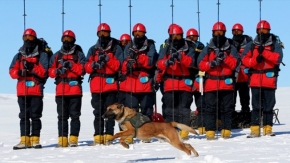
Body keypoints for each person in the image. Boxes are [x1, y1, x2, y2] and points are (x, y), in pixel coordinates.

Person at [197, 22, 239, 140]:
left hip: (226, 84)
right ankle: (210, 131)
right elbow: (200, 64)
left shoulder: (231, 49)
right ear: (212, 33)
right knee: (210, 109)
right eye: (216, 32)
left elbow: (235, 64)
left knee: (227, 108)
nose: (218, 35)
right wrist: (211, 63)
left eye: (220, 32)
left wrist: (225, 58)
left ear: (225, 33)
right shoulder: (208, 49)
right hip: (211, 84)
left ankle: (226, 130)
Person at [242, 20, 283, 138]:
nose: (262, 33)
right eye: (260, 30)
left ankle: (267, 128)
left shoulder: (275, 44)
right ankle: (254, 129)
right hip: (255, 80)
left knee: (269, 105)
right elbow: (245, 60)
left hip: (269, 80)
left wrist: (264, 53)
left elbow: (278, 58)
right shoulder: (251, 45)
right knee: (256, 105)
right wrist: (256, 60)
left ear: (269, 31)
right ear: (256, 31)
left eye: (264, 30)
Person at [9, 28, 49, 149]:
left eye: (30, 38)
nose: (27, 40)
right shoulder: (19, 55)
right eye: (25, 38)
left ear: (35, 39)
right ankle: (24, 140)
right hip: (22, 91)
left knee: (35, 116)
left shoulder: (42, 55)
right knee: (23, 116)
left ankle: (35, 139)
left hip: (36, 90)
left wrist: (32, 67)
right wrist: (20, 72)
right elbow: (11, 71)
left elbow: (44, 72)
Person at [85, 23, 122, 145]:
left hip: (110, 86)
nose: (103, 35)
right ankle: (98, 136)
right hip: (96, 87)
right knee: (98, 112)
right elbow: (86, 67)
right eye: (101, 33)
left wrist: (107, 59)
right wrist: (93, 65)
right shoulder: (93, 49)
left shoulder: (116, 48)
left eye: (105, 33)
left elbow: (118, 66)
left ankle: (109, 136)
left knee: (110, 112)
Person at [157, 24, 195, 140]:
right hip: (170, 83)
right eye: (174, 36)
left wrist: (180, 57)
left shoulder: (189, 48)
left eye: (179, 36)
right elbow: (159, 63)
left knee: (184, 108)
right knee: (169, 109)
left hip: (185, 83)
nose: (176, 38)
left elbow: (192, 63)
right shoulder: (165, 48)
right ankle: (170, 132)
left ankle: (184, 132)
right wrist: (166, 62)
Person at [121, 23, 158, 143]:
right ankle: (130, 133)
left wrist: (138, 58)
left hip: (145, 83)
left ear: (144, 34)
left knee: (147, 109)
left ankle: (146, 133)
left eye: (140, 33)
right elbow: (122, 65)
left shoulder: (150, 45)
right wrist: (129, 63)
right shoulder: (129, 46)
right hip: (131, 83)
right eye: (135, 33)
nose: (138, 35)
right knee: (131, 111)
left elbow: (151, 61)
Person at [48, 30, 86, 147]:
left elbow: (83, 70)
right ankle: (62, 139)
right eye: (64, 39)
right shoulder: (56, 55)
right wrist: (57, 71)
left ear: (74, 41)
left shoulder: (79, 54)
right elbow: (49, 71)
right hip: (61, 91)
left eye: (69, 39)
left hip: (75, 90)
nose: (66, 41)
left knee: (75, 116)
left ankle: (74, 139)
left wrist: (71, 65)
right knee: (62, 117)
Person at [185, 28, 206, 135]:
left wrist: (200, 76)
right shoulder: (184, 46)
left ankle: (202, 125)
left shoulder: (201, 47)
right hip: (187, 77)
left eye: (194, 37)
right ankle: (185, 127)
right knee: (185, 103)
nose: (192, 39)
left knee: (201, 102)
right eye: (190, 37)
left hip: (199, 76)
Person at [229, 23, 252, 113]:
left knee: (245, 99)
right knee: (231, 100)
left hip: (245, 77)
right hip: (234, 76)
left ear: (242, 32)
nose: (236, 33)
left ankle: (246, 116)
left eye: (238, 31)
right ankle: (232, 117)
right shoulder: (230, 43)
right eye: (234, 31)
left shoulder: (249, 44)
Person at [118, 33, 131, 105]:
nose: (125, 44)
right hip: (121, 86)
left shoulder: (131, 52)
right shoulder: (118, 52)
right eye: (123, 42)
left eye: (127, 42)